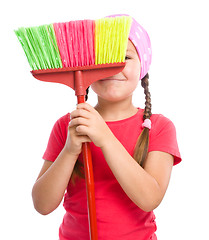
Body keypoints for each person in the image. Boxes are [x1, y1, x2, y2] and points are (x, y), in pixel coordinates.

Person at [32, 15, 181, 240]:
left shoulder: (159, 127)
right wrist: (70, 150)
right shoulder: (68, 126)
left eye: (125, 57)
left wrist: (106, 139)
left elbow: (150, 199)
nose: (113, 68)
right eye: (104, 57)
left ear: (143, 65)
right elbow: (42, 205)